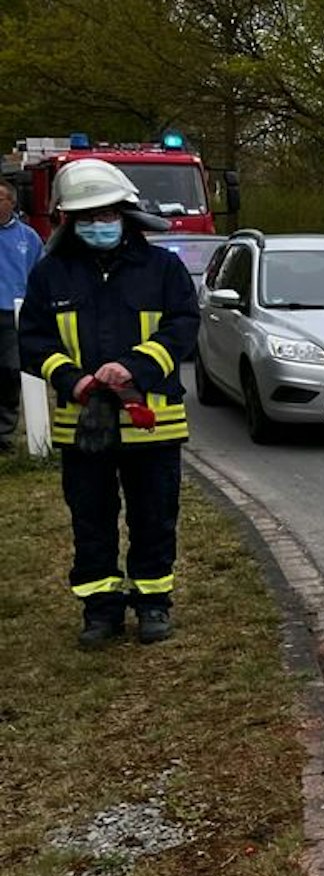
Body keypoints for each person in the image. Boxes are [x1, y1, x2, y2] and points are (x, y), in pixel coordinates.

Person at [18, 158, 197, 646]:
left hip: (151, 423)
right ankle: (101, 610)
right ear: (69, 221)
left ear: (126, 213)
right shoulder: (50, 274)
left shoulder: (164, 268)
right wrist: (73, 380)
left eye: (108, 214)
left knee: (153, 516)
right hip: (83, 424)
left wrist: (135, 367)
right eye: (88, 217)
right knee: (91, 518)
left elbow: (183, 327)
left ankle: (153, 603)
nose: (100, 224)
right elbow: (33, 341)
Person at [0, 179, 45, 452]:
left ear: (11, 203)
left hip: (11, 314)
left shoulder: (27, 238)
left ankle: (4, 432)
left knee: (9, 371)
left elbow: (38, 275)